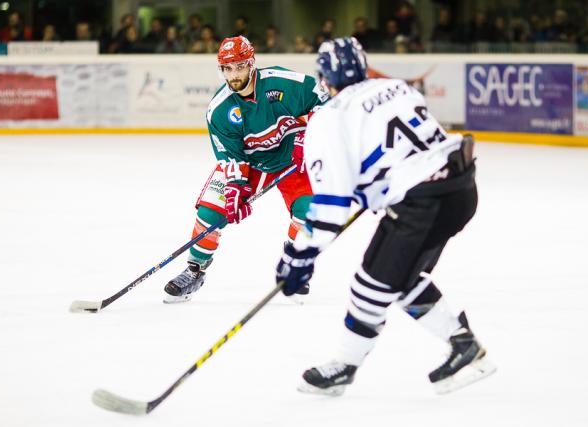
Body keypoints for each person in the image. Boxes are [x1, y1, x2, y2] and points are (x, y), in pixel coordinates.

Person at [275, 37, 496, 396]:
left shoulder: (329, 118)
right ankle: (463, 344)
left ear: (324, 77)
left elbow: (331, 204)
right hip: (461, 187)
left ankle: (344, 368)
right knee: (401, 277)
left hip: (422, 201)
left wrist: (298, 257)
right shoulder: (395, 87)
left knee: (371, 285)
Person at [163, 36, 328, 303]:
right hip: (251, 163)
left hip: (293, 157)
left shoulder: (283, 82)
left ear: (251, 63)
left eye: (239, 66)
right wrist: (236, 186)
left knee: (309, 212)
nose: (234, 74)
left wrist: (306, 138)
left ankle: (295, 262)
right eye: (227, 68)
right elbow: (230, 155)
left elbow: (327, 100)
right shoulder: (219, 110)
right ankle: (194, 270)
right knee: (211, 213)